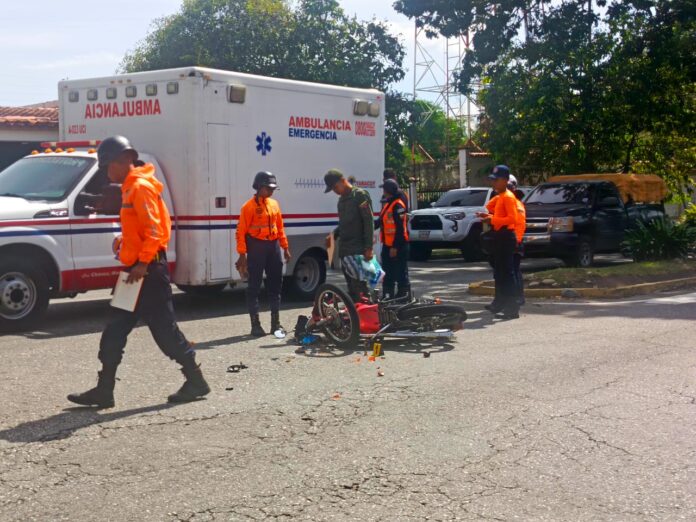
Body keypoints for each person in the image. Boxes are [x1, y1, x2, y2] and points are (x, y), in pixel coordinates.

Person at [68, 136, 210, 408]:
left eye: (108, 166)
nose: (107, 172)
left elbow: (158, 230)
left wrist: (143, 263)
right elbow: (142, 231)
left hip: (148, 274)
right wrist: (125, 245)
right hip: (134, 272)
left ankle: (196, 381)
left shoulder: (140, 188)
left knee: (165, 333)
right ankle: (104, 390)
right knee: (114, 331)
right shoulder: (129, 188)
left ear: (122, 162)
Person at [236, 171, 291, 337]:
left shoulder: (274, 204)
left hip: (273, 247)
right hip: (256, 247)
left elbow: (280, 227)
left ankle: (276, 324)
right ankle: (255, 325)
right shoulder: (248, 207)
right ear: (259, 187)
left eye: (273, 188)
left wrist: (285, 247)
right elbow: (241, 232)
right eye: (269, 188)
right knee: (254, 286)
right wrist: (242, 254)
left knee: (275, 285)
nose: (272, 191)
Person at [476, 165, 521, 319]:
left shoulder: (508, 197)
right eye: (492, 180)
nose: (493, 183)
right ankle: (502, 304)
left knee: (507, 274)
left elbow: (513, 219)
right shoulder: (501, 196)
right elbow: (497, 213)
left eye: (496, 180)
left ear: (505, 181)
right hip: (500, 236)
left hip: (506, 236)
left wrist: (492, 219)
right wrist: (486, 215)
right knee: (501, 273)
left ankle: (512, 308)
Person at [324, 169, 375, 301]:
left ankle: (367, 316)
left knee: (361, 288)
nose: (335, 191)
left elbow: (368, 222)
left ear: (342, 181)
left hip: (358, 249)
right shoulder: (341, 201)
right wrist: (334, 234)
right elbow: (344, 223)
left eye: (335, 187)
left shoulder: (360, 195)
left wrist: (368, 247)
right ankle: (355, 316)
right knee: (351, 288)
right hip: (345, 250)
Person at [485, 174, 526, 307]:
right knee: (500, 273)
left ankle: (516, 299)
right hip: (501, 242)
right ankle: (499, 301)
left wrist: (515, 242)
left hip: (512, 242)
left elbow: (516, 224)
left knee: (511, 272)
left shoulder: (515, 204)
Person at [378, 179, 410, 299]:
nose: (383, 192)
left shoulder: (398, 205)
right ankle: (388, 296)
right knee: (387, 272)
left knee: (400, 273)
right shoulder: (388, 204)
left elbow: (401, 229)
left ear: (388, 191)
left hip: (398, 246)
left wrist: (395, 247)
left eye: (384, 189)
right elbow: (380, 222)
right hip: (387, 245)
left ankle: (403, 296)